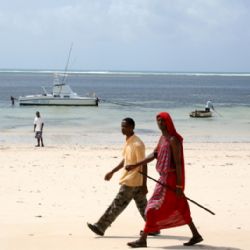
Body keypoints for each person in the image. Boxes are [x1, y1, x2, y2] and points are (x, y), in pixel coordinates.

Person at [126, 112, 203, 247]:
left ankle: (143, 239)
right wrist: (136, 165)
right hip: (163, 178)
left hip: (171, 180)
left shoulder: (173, 140)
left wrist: (179, 186)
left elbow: (178, 164)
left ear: (168, 122)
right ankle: (196, 235)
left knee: (151, 207)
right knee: (181, 206)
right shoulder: (162, 138)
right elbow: (154, 154)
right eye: (158, 121)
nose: (159, 123)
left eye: (162, 121)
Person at [87, 118, 155, 236]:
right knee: (144, 207)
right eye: (122, 126)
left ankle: (100, 226)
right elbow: (125, 160)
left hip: (132, 181)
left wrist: (144, 185)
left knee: (117, 204)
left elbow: (144, 164)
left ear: (132, 127)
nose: (122, 129)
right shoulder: (128, 141)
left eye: (125, 126)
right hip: (135, 182)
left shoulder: (137, 144)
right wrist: (112, 172)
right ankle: (154, 228)